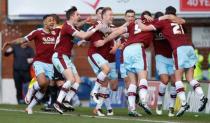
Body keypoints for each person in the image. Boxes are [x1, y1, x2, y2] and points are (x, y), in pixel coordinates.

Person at [138, 6, 208, 117]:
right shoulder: (177, 21)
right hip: (189, 48)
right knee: (189, 78)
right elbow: (183, 21)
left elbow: (144, 27)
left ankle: (183, 104)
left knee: (177, 79)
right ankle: (202, 97)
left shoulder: (162, 22)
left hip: (178, 50)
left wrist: (139, 20)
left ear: (165, 14)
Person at [2, 14, 60, 114]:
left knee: (44, 88)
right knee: (42, 82)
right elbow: (22, 39)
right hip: (39, 62)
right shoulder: (37, 32)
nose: (52, 22)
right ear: (44, 23)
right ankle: (31, 89)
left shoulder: (57, 32)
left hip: (51, 64)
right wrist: (10, 42)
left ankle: (29, 107)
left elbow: (71, 28)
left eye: (54, 21)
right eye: (50, 20)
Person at [52, 6, 103, 114]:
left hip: (66, 57)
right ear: (72, 16)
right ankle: (58, 102)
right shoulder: (67, 26)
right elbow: (83, 35)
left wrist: (86, 21)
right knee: (70, 79)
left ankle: (66, 101)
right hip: (60, 55)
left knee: (77, 81)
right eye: (77, 14)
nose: (79, 16)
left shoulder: (70, 25)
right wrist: (96, 28)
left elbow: (78, 26)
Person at [87, 7, 117, 116]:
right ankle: (94, 91)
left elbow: (116, 33)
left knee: (106, 83)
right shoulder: (98, 25)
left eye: (112, 14)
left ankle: (98, 108)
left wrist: (117, 45)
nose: (112, 16)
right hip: (94, 55)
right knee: (106, 71)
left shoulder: (109, 26)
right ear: (102, 16)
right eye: (110, 14)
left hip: (105, 57)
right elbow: (89, 36)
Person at [153, 12, 176, 117]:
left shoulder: (168, 27)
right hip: (160, 57)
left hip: (171, 58)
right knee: (165, 80)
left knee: (175, 82)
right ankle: (159, 103)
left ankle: (172, 106)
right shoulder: (152, 30)